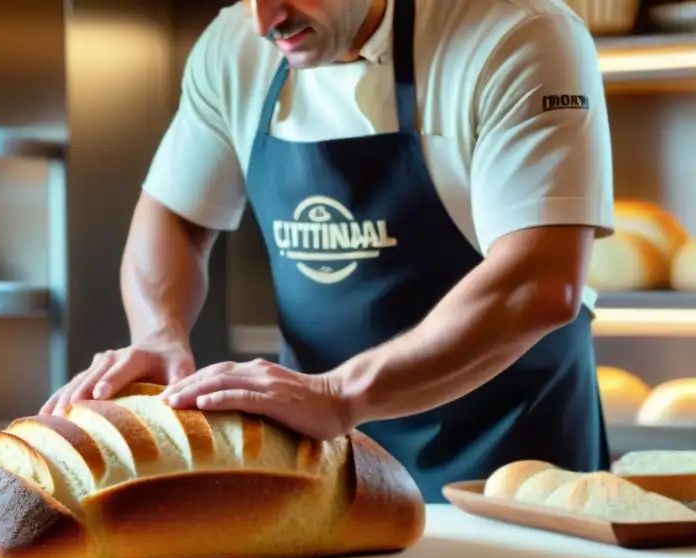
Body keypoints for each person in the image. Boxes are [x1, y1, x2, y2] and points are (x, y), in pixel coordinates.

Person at [42, 0, 614, 502]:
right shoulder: (234, 46)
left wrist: (340, 394)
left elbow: (539, 280)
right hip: (325, 466)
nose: (267, 19)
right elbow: (173, 214)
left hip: (510, 465)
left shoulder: (519, 34)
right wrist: (157, 333)